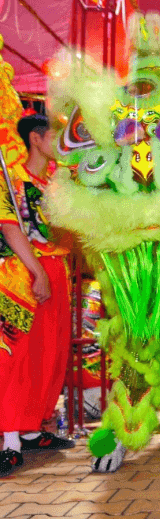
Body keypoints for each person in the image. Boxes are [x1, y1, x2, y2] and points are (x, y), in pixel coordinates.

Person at [0, 113, 74, 478]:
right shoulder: (13, 178)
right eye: (54, 137)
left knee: (51, 352)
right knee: (20, 354)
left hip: (57, 270)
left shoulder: (56, 182)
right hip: (24, 275)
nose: (60, 144)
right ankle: (11, 441)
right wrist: (38, 272)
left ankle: (32, 429)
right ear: (36, 138)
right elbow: (9, 226)